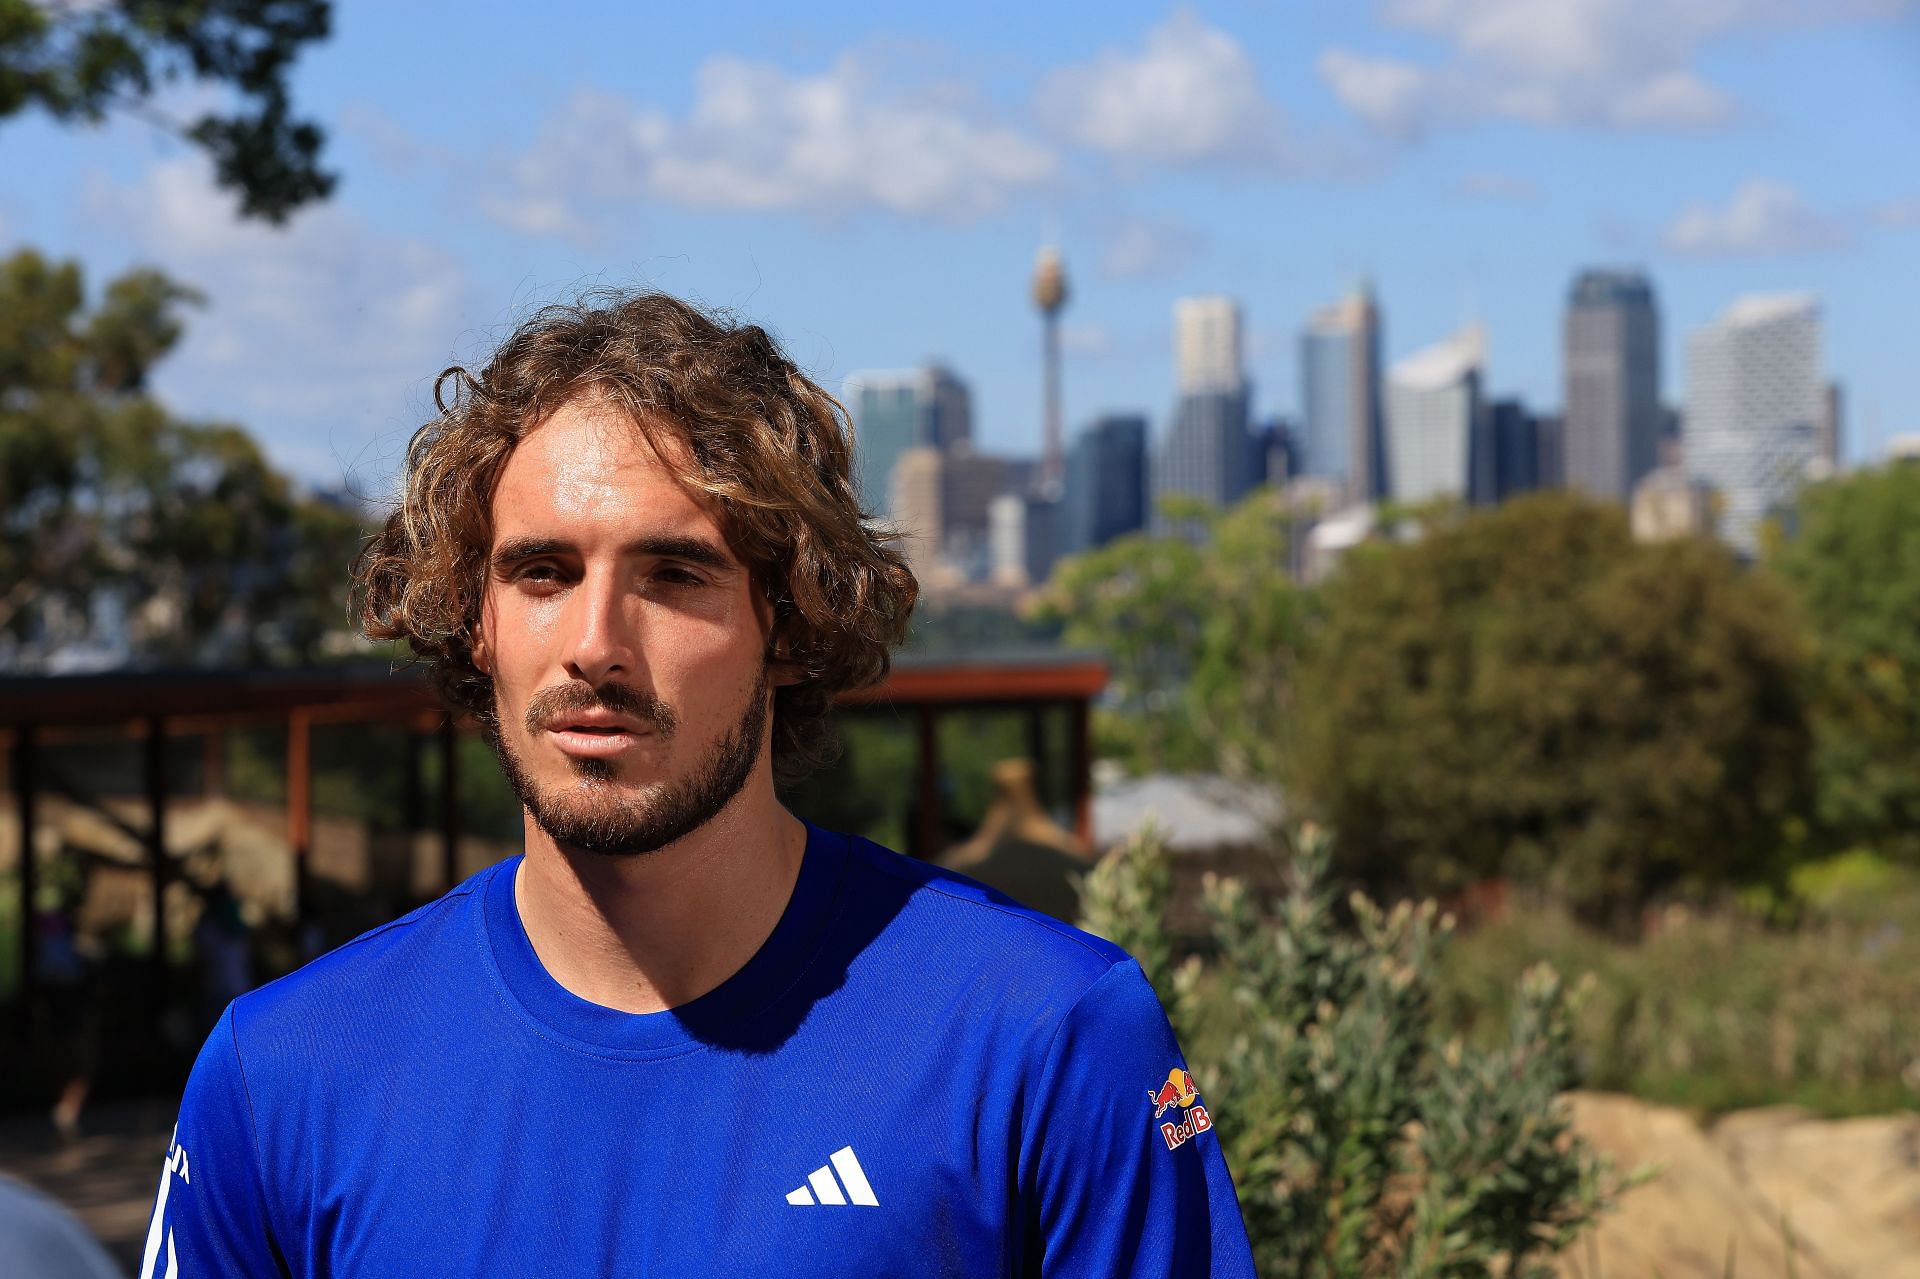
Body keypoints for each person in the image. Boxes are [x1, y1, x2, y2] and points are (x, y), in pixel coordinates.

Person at [142, 292, 1256, 1276]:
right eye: (541, 572)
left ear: (790, 621)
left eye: (673, 575)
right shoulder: (283, 1075)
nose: (594, 642)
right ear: (476, 621)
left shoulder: (1046, 1039)